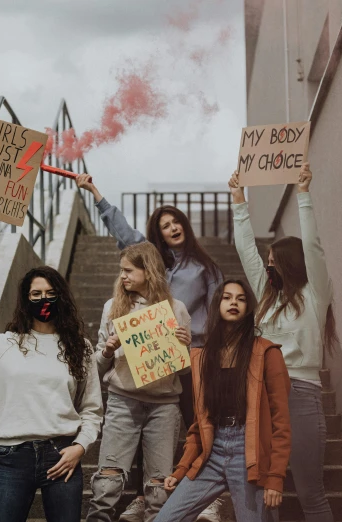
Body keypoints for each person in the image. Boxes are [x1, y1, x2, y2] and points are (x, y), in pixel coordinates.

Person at [77, 174, 224, 522]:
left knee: (194, 434)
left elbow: (221, 309)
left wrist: (197, 350)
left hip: (184, 364)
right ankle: (142, 499)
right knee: (121, 468)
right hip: (130, 387)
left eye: (175, 222)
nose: (172, 228)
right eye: (165, 225)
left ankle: (202, 496)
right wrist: (96, 192)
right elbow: (126, 235)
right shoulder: (133, 285)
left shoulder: (201, 271)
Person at [0, 266, 103, 522]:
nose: (43, 299)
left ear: (62, 297)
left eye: (50, 293)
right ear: (25, 299)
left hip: (62, 455)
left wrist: (80, 447)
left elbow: (92, 409)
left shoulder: (80, 347)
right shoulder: (3, 344)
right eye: (36, 294)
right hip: (13, 459)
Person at [229, 163, 339, 522]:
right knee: (261, 490)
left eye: (274, 262)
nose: (268, 267)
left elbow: (315, 250)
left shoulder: (314, 295)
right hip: (260, 394)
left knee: (311, 492)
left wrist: (304, 195)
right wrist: (238, 201)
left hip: (302, 394)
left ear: (291, 264)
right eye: (268, 262)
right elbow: (247, 252)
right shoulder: (265, 297)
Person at [155, 279, 291, 522]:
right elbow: (199, 424)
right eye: (227, 298)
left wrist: (275, 477)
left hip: (248, 452)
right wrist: (181, 469)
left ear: (248, 308)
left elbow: (281, 422)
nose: (234, 303)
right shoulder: (202, 357)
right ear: (217, 304)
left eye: (240, 299)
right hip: (213, 450)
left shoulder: (267, 353)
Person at [86, 242, 193, 522]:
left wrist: (185, 348)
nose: (122, 276)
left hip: (164, 406)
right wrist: (108, 350)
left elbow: (183, 371)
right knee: (107, 482)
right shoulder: (113, 308)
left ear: (149, 271)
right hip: (123, 400)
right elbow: (97, 366)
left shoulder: (176, 309)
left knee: (159, 486)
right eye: (121, 270)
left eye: (129, 270)